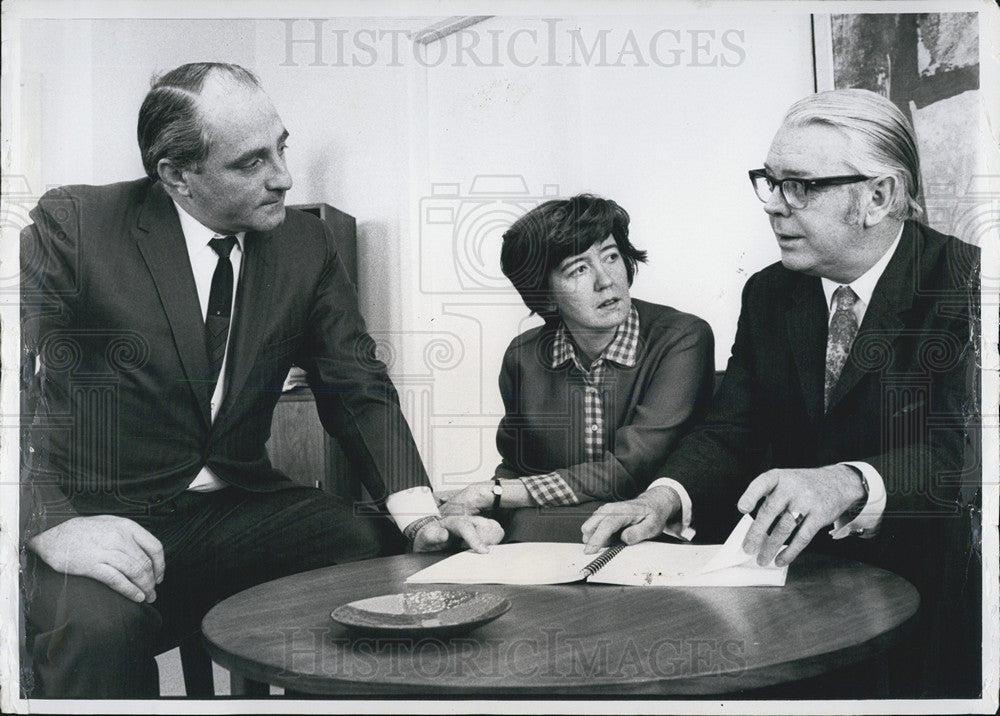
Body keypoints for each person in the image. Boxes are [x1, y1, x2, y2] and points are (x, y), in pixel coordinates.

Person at [19, 62, 502, 699]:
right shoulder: (77, 226)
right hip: (95, 512)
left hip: (231, 507)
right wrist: (52, 523)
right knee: (96, 632)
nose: (283, 177)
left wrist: (419, 517)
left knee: (369, 548)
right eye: (251, 163)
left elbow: (354, 383)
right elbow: (7, 387)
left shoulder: (307, 243)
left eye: (282, 147)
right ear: (176, 175)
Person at [581, 89, 981, 697]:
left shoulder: (971, 285)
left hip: (933, 606)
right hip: (792, 596)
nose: (773, 206)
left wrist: (847, 480)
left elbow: (966, 456)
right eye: (770, 181)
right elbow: (733, 428)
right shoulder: (770, 292)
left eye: (801, 186)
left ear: (880, 196)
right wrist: (663, 496)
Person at [442, 195, 714, 541]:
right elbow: (516, 467)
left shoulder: (681, 338)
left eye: (612, 256)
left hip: (652, 538)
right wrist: (486, 516)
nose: (606, 280)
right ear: (546, 295)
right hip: (556, 541)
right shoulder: (522, 357)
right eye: (579, 269)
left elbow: (629, 469)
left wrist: (494, 494)